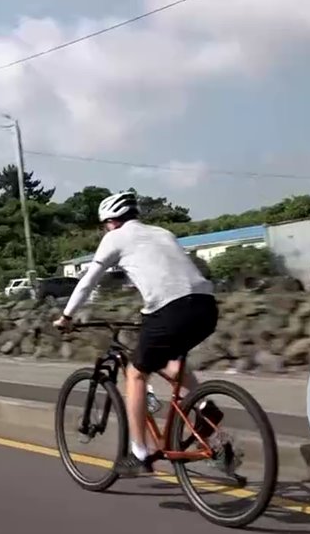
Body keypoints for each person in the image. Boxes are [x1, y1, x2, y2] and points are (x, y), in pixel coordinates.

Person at [52, 191, 223, 476]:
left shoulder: (115, 238)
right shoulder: (162, 232)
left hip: (169, 309)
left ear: (111, 221)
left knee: (135, 373)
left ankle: (138, 453)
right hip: (205, 306)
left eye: (105, 224)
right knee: (169, 359)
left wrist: (66, 316)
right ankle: (206, 407)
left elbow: (87, 282)